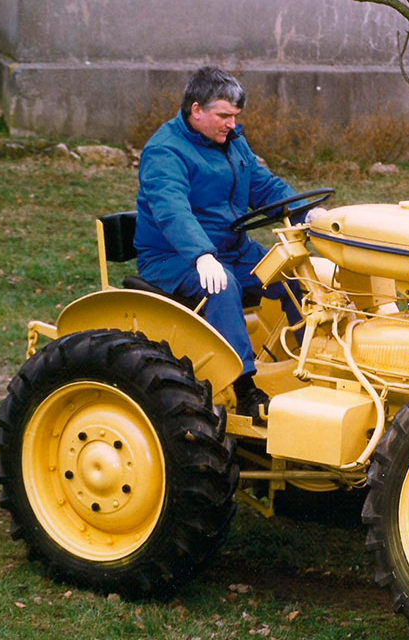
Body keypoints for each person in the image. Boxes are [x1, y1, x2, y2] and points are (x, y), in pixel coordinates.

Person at [134, 66, 303, 422]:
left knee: (291, 273)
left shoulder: (232, 142)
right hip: (172, 257)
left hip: (231, 248)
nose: (231, 124)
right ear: (196, 111)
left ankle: (311, 362)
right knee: (222, 285)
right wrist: (201, 255)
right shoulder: (165, 152)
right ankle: (246, 391)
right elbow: (172, 212)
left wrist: (308, 211)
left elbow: (264, 187)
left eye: (235, 117)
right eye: (223, 116)